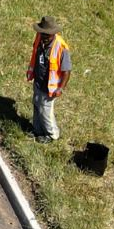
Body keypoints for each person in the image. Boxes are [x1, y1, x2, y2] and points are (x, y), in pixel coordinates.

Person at [26, 15, 71, 143]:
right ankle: (37, 130)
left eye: (47, 35)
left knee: (45, 111)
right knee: (36, 105)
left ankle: (52, 135)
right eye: (42, 34)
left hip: (50, 87)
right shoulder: (39, 38)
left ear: (53, 34)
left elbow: (67, 71)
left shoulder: (61, 48)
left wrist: (60, 88)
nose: (44, 37)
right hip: (39, 81)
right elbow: (35, 55)